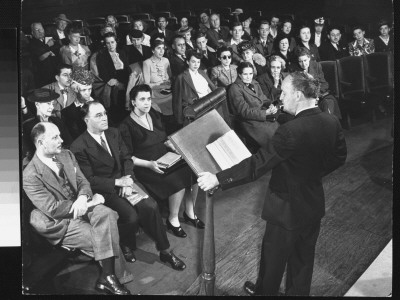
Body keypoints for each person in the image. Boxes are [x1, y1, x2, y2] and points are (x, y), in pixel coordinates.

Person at [197, 71, 347, 296]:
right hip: (312, 205)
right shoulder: (331, 120)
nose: (280, 96)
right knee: (303, 263)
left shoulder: (290, 131)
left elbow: (256, 166)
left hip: (285, 209)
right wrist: (311, 173)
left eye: (284, 93)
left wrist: (217, 179)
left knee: (273, 265)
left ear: (297, 95)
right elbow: (339, 157)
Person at [70, 101, 187, 270]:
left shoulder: (113, 133)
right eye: (98, 115)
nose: (104, 118)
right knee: (131, 217)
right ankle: (125, 243)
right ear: (86, 120)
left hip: (126, 180)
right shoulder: (79, 147)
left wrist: (127, 179)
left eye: (104, 113)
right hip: (106, 190)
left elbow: (127, 158)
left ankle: (166, 251)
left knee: (151, 206)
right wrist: (118, 182)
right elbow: (89, 179)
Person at [23, 122, 133, 295]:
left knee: (108, 214)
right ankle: (112, 278)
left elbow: (83, 181)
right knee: (105, 235)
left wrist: (83, 197)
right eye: (55, 137)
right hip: (61, 221)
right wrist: (89, 203)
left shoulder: (66, 155)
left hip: (82, 204)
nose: (61, 139)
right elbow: (52, 208)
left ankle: (107, 277)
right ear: (40, 143)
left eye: (60, 135)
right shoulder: (30, 175)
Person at [119, 84, 204, 238]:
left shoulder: (154, 114)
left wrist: (174, 146)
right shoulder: (125, 126)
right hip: (146, 166)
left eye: (149, 99)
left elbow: (164, 138)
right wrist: (149, 164)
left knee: (194, 173)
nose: (147, 103)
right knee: (177, 182)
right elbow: (127, 157)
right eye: (142, 99)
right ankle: (173, 219)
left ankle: (190, 212)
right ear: (133, 102)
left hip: (166, 158)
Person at [228, 61, 279, 150]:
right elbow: (244, 112)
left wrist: (271, 105)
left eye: (250, 73)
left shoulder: (254, 83)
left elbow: (263, 99)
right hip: (249, 121)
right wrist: (265, 113)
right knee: (272, 139)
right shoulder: (235, 88)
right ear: (239, 74)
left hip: (262, 116)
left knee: (280, 132)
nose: (248, 77)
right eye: (245, 74)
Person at [290, 47, 342, 119]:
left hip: (319, 95)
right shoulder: (293, 69)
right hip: (304, 99)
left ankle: (331, 125)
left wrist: (316, 94)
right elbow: (294, 89)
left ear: (309, 58)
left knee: (329, 102)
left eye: (305, 60)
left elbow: (324, 84)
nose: (303, 64)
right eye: (300, 61)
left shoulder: (316, 66)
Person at [23, 88, 73, 161]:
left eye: (52, 104)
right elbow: (28, 152)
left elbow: (69, 143)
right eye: (48, 103)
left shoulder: (58, 122)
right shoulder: (28, 126)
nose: (52, 107)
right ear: (37, 104)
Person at [172, 50, 217, 125]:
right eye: (193, 62)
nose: (196, 64)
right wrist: (179, 119)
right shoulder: (181, 77)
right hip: (195, 110)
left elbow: (211, 88)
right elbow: (177, 100)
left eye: (198, 62)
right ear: (187, 62)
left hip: (209, 105)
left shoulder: (202, 72)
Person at [96, 32, 130, 122]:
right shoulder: (102, 55)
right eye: (108, 43)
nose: (111, 45)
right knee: (118, 97)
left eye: (112, 42)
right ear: (105, 44)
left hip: (126, 80)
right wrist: (117, 83)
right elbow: (103, 73)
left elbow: (127, 69)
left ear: (116, 42)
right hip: (113, 82)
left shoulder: (122, 52)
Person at [142, 37, 173, 116]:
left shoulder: (166, 60)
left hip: (167, 90)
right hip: (156, 93)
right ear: (153, 50)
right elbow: (147, 84)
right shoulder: (147, 63)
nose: (162, 51)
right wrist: (160, 85)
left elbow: (170, 77)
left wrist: (168, 83)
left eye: (163, 48)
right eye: (159, 48)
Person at [61, 69, 95, 140]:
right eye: (84, 90)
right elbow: (75, 136)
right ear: (75, 89)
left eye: (90, 89)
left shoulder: (98, 102)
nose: (88, 93)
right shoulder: (67, 112)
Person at [28, 22, 59, 87]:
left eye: (41, 29)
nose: (40, 31)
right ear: (32, 33)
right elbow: (38, 53)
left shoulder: (49, 39)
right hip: (42, 78)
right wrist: (48, 45)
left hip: (54, 75)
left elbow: (57, 53)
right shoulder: (31, 43)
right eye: (37, 30)